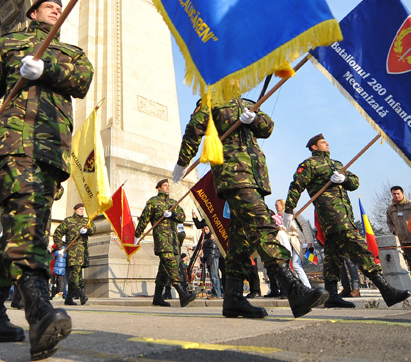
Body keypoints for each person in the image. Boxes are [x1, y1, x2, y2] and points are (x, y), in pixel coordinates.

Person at [0, 0, 93, 359]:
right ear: (33, 13)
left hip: (52, 150)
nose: (56, 10)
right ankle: (39, 311)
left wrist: (47, 69)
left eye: (60, 9)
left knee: (23, 227)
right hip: (16, 142)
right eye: (49, 6)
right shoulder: (8, 43)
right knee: (29, 227)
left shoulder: (71, 52)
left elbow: (83, 80)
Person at [176, 98, 327, 319]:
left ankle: (233, 299)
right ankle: (293, 288)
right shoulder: (212, 101)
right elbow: (195, 128)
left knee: (239, 242)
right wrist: (183, 161)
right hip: (233, 173)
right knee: (262, 226)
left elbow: (268, 127)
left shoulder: (248, 103)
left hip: (255, 176)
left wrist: (254, 118)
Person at [287, 133, 409, 309]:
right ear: (314, 147)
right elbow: (296, 186)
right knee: (360, 249)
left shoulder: (337, 164)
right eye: (323, 142)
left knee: (332, 256)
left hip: (345, 216)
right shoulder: (309, 164)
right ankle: (386, 290)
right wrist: (289, 210)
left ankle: (331, 296)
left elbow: (355, 182)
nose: (327, 144)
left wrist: (344, 179)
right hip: (332, 216)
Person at [134, 179, 195, 308]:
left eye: (168, 185)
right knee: (172, 266)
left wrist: (172, 214)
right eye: (165, 185)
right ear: (159, 188)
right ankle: (182, 294)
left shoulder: (173, 203)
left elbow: (182, 217)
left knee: (163, 270)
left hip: (173, 242)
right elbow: (144, 219)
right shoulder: (153, 202)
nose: (168, 187)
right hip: (162, 241)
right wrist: (137, 235)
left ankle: (157, 297)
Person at [53, 203, 95, 305]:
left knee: (78, 275)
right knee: (76, 274)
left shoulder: (86, 221)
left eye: (83, 209)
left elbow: (93, 229)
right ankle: (81, 295)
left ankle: (68, 298)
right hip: (73, 253)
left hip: (83, 253)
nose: (81, 211)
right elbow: (57, 233)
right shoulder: (68, 221)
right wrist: (59, 248)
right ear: (75, 210)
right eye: (80, 209)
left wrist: (87, 230)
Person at [200, 226, 222, 298]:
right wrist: (204, 259)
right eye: (204, 229)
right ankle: (215, 292)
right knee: (212, 276)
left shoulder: (212, 238)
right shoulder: (207, 238)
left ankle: (217, 294)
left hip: (213, 259)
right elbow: (206, 250)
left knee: (214, 276)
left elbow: (212, 251)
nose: (205, 231)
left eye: (206, 229)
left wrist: (208, 261)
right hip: (210, 259)